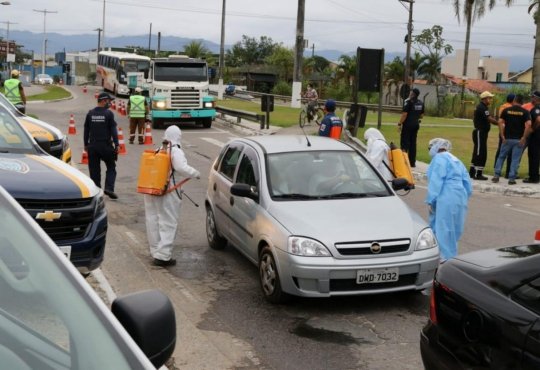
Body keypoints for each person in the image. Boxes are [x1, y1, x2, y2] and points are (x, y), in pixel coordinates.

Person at [144, 125, 201, 267]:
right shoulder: (175, 151)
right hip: (167, 192)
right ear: (178, 136)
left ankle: (156, 251)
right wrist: (195, 173)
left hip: (152, 190)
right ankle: (163, 256)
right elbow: (181, 167)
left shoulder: (159, 149)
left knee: (153, 220)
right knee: (168, 222)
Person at [425, 138, 472, 262]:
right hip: (460, 195)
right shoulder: (456, 160)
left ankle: (444, 257)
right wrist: (464, 197)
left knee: (443, 226)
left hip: (445, 193)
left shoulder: (439, 159)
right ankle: (451, 254)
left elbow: (436, 180)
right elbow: (467, 182)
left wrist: (431, 199)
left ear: (435, 147)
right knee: (455, 226)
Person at [83, 92, 119, 199]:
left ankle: (96, 191)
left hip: (93, 146)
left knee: (94, 170)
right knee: (111, 167)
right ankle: (109, 188)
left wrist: (86, 144)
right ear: (103, 101)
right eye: (109, 101)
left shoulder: (90, 113)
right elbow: (113, 130)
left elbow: (86, 130)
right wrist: (117, 144)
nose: (110, 103)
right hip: (106, 146)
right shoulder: (108, 114)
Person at [492, 94, 532, 185]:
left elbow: (500, 122)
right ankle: (511, 179)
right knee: (515, 159)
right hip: (518, 139)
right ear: (522, 103)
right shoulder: (525, 112)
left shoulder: (506, 110)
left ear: (514, 101)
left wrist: (502, 135)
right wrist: (524, 137)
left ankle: (496, 175)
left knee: (501, 156)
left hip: (507, 138)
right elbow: (529, 124)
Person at [469, 91, 499, 180]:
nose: (491, 99)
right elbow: (489, 119)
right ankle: (478, 174)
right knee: (480, 152)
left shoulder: (482, 107)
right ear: (485, 98)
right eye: (489, 98)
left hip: (482, 132)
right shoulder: (482, 107)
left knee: (477, 151)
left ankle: (472, 172)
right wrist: (499, 123)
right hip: (480, 132)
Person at [398, 87, 424, 167]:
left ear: (413, 94)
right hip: (416, 125)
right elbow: (422, 115)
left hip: (407, 125)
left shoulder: (408, 102)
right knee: (413, 144)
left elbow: (404, 114)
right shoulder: (420, 103)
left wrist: (399, 123)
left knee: (405, 143)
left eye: (411, 92)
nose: (410, 93)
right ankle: (412, 162)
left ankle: (404, 161)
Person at [493, 93, 516, 179]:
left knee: (500, 150)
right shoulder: (510, 108)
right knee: (510, 152)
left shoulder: (502, 106)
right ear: (513, 100)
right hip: (509, 131)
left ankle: (496, 170)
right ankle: (508, 172)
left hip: (502, 131)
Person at [524, 91, 540, 184]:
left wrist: (533, 129)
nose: (531, 99)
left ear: (536, 98)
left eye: (532, 97)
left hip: (536, 136)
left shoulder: (536, 109)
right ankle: (536, 175)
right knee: (537, 156)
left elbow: (538, 119)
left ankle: (533, 177)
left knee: (533, 156)